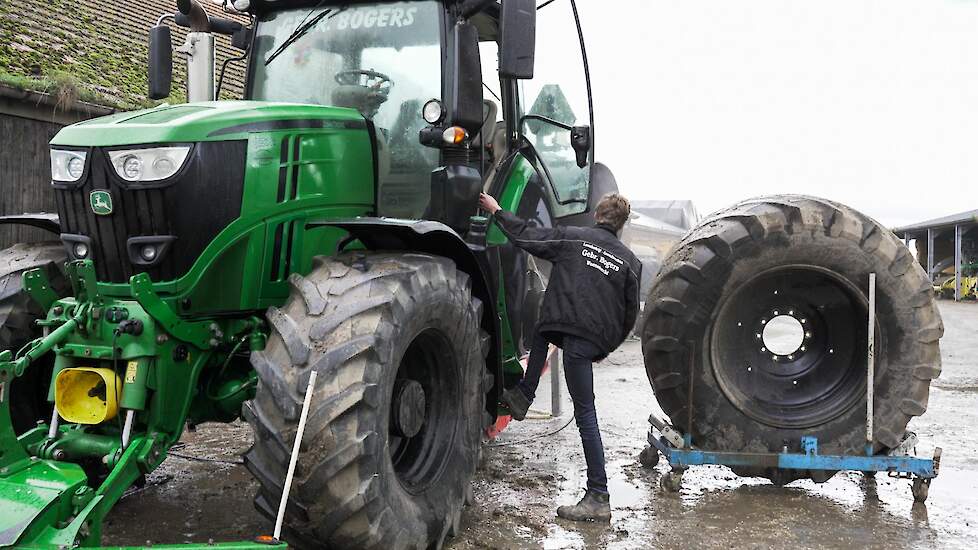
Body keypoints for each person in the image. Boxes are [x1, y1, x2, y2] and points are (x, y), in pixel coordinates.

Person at [478, 191, 642, 522]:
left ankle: (599, 494)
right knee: (546, 331)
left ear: (597, 215)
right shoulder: (630, 262)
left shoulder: (572, 238)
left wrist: (496, 211)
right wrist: (604, 348)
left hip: (569, 331)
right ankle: (524, 395)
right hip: (588, 339)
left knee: (584, 412)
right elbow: (628, 318)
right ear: (622, 224)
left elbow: (527, 236)